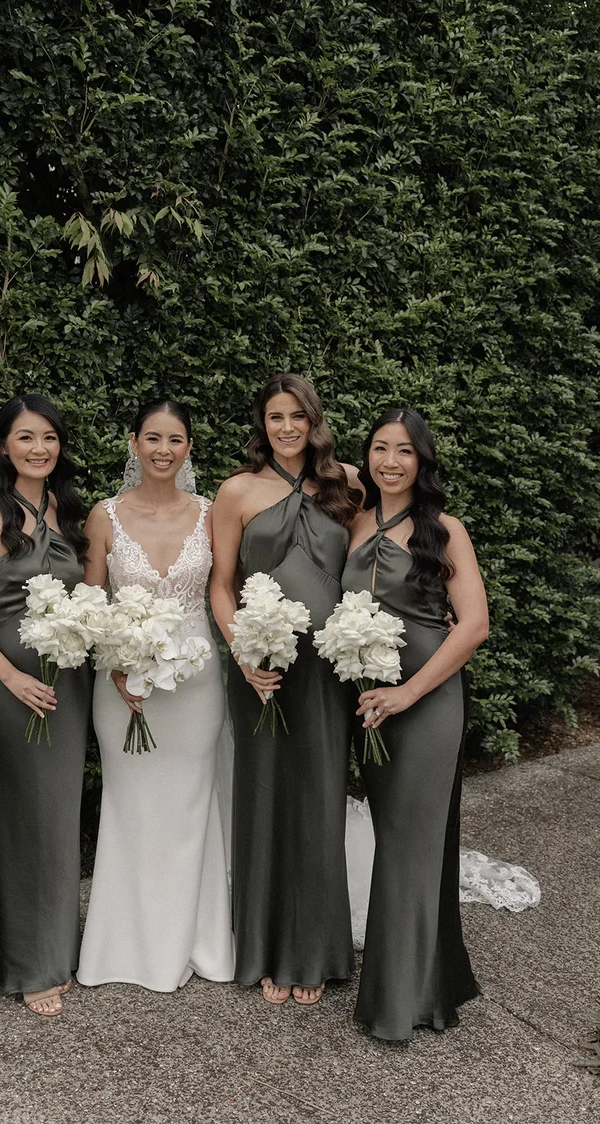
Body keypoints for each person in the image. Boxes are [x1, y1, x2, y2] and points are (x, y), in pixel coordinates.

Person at [210, 374, 360, 1005]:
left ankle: (313, 952)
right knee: (265, 797)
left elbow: (372, 566)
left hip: (328, 671)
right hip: (262, 670)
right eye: (275, 417)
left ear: (314, 420)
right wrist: (244, 654)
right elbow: (220, 585)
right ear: (262, 425)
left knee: (320, 800)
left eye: (298, 416)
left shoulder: (348, 484)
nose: (287, 427)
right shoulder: (237, 491)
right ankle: (267, 949)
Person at [342, 407, 489, 1040]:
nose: (391, 462)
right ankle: (429, 979)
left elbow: (474, 625)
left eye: (405, 450)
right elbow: (317, 466)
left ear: (423, 460)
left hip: (426, 702)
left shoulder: (444, 530)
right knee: (393, 835)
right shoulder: (351, 517)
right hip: (369, 703)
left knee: (409, 843)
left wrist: (408, 692)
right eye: (380, 448)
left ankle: (402, 1003)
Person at [76, 400, 234, 991]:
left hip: (197, 684)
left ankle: (197, 943)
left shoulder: (212, 513)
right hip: (122, 684)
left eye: (175, 439)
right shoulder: (104, 516)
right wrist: (115, 661)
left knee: (191, 805)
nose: (164, 450)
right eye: (153, 438)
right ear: (134, 443)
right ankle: (125, 947)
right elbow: (91, 602)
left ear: (189, 447)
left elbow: (223, 589)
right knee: (131, 805)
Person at [0, 394, 91, 1016]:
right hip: (12, 688)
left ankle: (55, 948)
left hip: (70, 687)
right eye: (26, 437)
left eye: (49, 437)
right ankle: (30, 965)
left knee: (57, 820)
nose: (39, 448)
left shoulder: (69, 511)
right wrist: (10, 677)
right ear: (4, 446)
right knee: (24, 819)